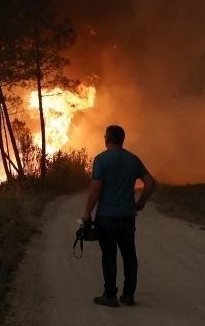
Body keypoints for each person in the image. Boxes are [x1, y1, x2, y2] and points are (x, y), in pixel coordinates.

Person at [82, 124, 156, 308]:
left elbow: (96, 189)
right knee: (129, 254)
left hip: (106, 216)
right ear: (122, 139)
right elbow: (150, 183)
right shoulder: (133, 160)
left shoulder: (101, 160)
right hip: (127, 216)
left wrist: (87, 213)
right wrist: (141, 203)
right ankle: (128, 295)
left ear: (107, 138)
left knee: (109, 255)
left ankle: (110, 295)